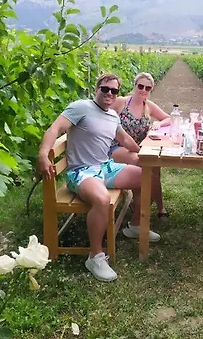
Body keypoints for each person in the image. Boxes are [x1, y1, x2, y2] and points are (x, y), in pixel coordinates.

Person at [37, 73, 161, 282]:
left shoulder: (112, 116)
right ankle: (95, 257)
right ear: (97, 89)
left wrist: (144, 152)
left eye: (114, 90)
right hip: (82, 171)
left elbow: (125, 139)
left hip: (105, 167)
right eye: (105, 89)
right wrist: (42, 154)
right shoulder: (80, 107)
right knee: (102, 199)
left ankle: (135, 226)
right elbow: (55, 128)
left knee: (149, 177)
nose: (109, 93)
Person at [109, 72, 171, 217]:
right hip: (118, 146)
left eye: (147, 88)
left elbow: (169, 118)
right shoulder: (122, 102)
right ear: (135, 85)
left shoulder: (148, 106)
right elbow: (102, 113)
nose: (143, 90)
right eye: (140, 86)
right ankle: (140, 208)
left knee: (155, 164)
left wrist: (158, 123)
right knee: (141, 161)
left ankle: (159, 207)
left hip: (138, 147)